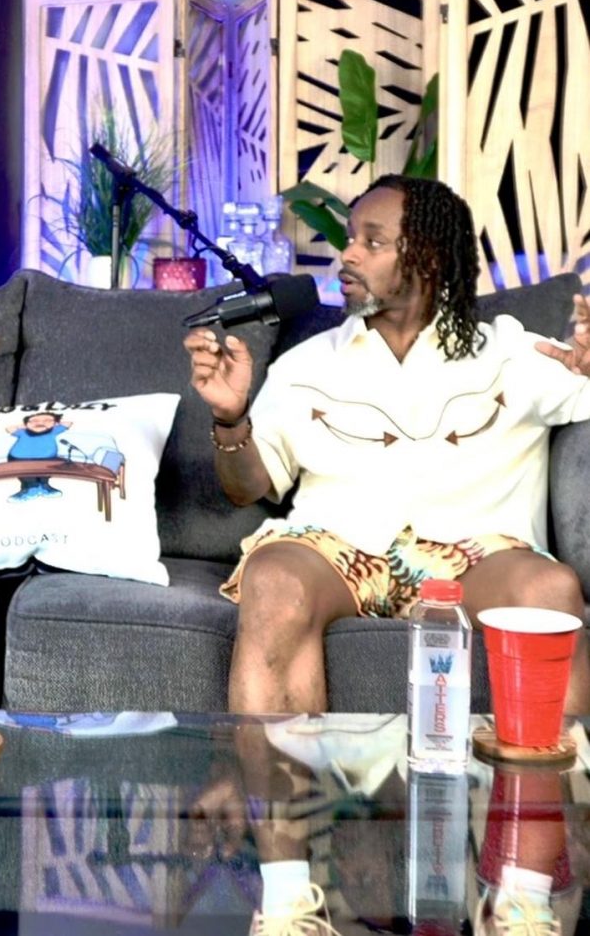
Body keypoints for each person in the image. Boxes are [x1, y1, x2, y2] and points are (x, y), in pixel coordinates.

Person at [186, 174, 590, 932]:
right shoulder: (308, 364)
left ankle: (524, 901)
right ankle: (288, 902)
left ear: (427, 257)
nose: (347, 255)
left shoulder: (510, 354)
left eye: (371, 242)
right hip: (341, 547)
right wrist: (231, 420)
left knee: (551, 592)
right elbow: (249, 487)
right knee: (273, 578)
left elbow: (581, 384)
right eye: (349, 239)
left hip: (475, 551)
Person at [5, 411, 72, 501]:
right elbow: (9, 428)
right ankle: (30, 490)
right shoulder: (23, 432)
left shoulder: (53, 431)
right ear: (26, 424)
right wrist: (22, 426)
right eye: (34, 421)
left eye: (47, 420)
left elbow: (68, 423)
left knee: (45, 474)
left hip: (47, 459)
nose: (40, 423)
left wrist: (56, 422)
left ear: (55, 423)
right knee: (27, 476)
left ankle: (44, 487)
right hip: (20, 459)